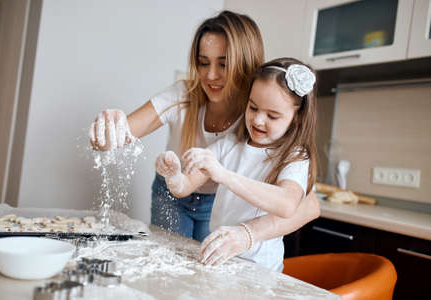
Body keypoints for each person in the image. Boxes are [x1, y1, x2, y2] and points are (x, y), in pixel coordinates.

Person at [89, 10, 265, 242]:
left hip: (220, 202)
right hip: (170, 195)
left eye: (223, 64)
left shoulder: (259, 113)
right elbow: (114, 138)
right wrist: (108, 127)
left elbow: (298, 198)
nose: (210, 75)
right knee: (168, 263)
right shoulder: (182, 95)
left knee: (206, 272)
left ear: (246, 64)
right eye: (203, 63)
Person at [155, 57, 319, 271]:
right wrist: (174, 175)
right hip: (222, 258)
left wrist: (224, 175)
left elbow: (287, 204)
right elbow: (184, 187)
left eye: (272, 115)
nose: (258, 120)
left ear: (297, 118)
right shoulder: (229, 145)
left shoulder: (294, 156)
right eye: (253, 107)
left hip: (261, 268)